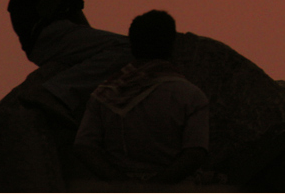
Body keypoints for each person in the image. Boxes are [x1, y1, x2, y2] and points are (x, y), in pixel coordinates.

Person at [74, 10, 210, 184]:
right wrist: (155, 186)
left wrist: (123, 184)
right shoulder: (190, 96)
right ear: (172, 45)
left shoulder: (104, 94)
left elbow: (84, 148)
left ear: (132, 45)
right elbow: (195, 153)